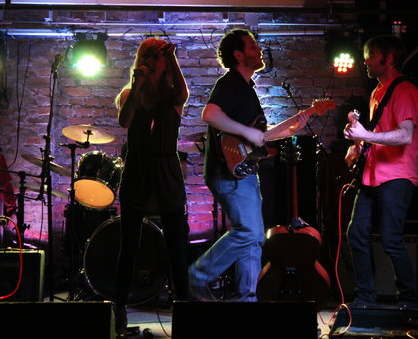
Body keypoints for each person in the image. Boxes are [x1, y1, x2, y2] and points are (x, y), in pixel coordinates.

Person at [188, 29, 309, 302]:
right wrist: (247, 132)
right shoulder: (231, 83)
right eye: (253, 47)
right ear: (238, 55)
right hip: (228, 173)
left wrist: (292, 126)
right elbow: (210, 114)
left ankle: (247, 298)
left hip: (244, 172)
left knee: (254, 239)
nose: (260, 50)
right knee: (248, 233)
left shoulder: (246, 88)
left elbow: (258, 137)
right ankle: (197, 275)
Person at [113, 37, 190, 336]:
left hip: (166, 168)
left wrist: (172, 58)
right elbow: (124, 122)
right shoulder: (130, 93)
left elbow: (182, 94)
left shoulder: (172, 95)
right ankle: (119, 310)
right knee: (128, 246)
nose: (151, 61)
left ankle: (184, 308)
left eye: (156, 56)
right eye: (148, 56)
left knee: (176, 245)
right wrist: (137, 84)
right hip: (138, 168)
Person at [343, 34, 418, 308]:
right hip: (372, 174)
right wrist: (357, 142)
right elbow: (379, 134)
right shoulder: (378, 91)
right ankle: (365, 299)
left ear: (389, 58)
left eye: (372, 55)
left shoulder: (405, 90)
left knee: (390, 238)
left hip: (397, 175)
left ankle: (408, 302)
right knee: (356, 234)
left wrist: (365, 135)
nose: (366, 60)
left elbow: (405, 135)